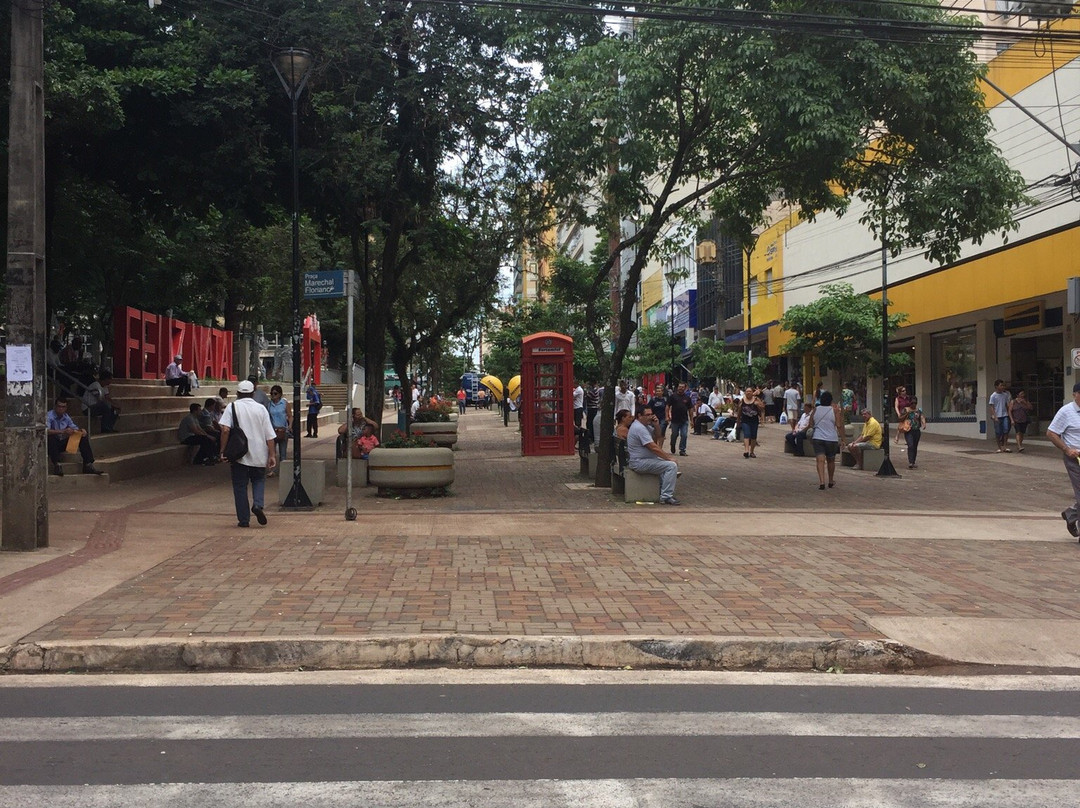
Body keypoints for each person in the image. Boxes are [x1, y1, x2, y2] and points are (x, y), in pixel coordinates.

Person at [219, 379, 277, 528]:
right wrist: (272, 455)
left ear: (238, 393)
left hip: (239, 455)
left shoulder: (232, 407)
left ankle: (244, 520)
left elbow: (225, 430)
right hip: (259, 454)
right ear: (253, 393)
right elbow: (269, 435)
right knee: (258, 480)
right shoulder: (261, 409)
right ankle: (258, 504)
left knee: (240, 486)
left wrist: (222, 450)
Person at [627, 406, 680, 505]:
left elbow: (657, 437)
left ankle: (662, 489)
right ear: (639, 416)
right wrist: (668, 458)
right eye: (647, 415)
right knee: (671, 466)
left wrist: (656, 425)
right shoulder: (639, 428)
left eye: (651, 414)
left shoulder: (644, 426)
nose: (650, 417)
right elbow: (653, 447)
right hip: (639, 462)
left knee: (668, 465)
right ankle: (666, 496)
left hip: (645, 459)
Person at [1046, 383, 1080, 538]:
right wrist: (1067, 450)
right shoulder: (1066, 412)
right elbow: (1051, 433)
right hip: (1075, 458)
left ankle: (1071, 514)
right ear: (1075, 394)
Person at [46, 396, 103, 476]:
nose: (61, 409)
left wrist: (81, 431)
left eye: (63, 407)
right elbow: (46, 431)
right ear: (55, 407)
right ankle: (57, 465)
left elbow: (74, 428)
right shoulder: (49, 415)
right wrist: (63, 431)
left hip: (61, 443)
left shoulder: (66, 417)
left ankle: (88, 464)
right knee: (51, 438)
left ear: (66, 408)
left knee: (82, 437)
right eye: (59, 406)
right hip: (50, 444)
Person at [807, 390, 845, 490]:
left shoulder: (816, 409)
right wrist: (843, 439)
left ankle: (822, 481)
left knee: (820, 460)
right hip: (831, 438)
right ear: (831, 400)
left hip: (818, 437)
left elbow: (810, 423)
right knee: (831, 460)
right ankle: (831, 480)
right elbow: (839, 425)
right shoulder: (834, 410)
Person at [266, 384, 292, 470]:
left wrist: (290, 426)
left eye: (275, 393)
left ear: (280, 394)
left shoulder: (284, 403)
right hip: (273, 429)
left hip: (283, 429)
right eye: (272, 394)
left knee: (283, 451)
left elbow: (289, 415)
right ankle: (271, 469)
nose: (273, 396)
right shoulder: (269, 404)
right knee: (271, 451)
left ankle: (283, 470)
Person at [900, 396, 927, 469]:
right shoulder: (906, 409)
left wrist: (924, 423)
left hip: (916, 430)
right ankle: (910, 462)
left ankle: (913, 461)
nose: (914, 405)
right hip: (909, 430)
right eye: (912, 403)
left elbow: (922, 417)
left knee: (915, 446)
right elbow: (900, 418)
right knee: (910, 445)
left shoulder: (918, 410)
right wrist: (907, 414)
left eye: (915, 403)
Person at [738, 385, 763, 459]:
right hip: (745, 420)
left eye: (750, 391)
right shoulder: (742, 400)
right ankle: (746, 451)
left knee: (753, 436)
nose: (748, 393)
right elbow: (739, 411)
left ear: (753, 392)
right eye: (747, 391)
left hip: (754, 420)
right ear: (745, 393)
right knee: (747, 434)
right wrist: (738, 420)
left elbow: (762, 408)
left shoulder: (756, 399)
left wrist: (758, 405)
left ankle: (752, 451)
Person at [667, 382, 692, 456]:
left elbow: (690, 409)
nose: (681, 388)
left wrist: (692, 420)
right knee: (674, 434)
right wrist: (667, 416)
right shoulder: (673, 396)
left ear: (685, 388)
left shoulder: (687, 398)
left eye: (682, 387)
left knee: (684, 435)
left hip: (684, 420)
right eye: (680, 387)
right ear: (677, 387)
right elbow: (668, 406)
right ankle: (672, 444)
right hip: (675, 420)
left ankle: (682, 450)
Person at [988, 379, 1012, 453]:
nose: (1003, 387)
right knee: (998, 432)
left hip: (1004, 415)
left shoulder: (1005, 395)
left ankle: (1005, 446)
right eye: (1001, 385)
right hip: (997, 416)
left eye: (1003, 385)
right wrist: (994, 416)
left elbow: (1007, 405)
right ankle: (999, 447)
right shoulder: (993, 396)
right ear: (996, 386)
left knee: (1006, 430)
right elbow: (992, 407)